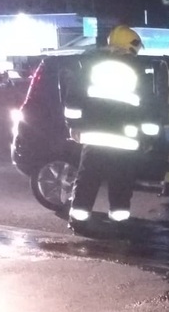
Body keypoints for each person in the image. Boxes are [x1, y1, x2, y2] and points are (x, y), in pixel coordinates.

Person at [64, 25, 155, 235]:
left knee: (87, 180)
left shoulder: (90, 66)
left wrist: (74, 126)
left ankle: (78, 220)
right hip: (125, 139)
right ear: (128, 46)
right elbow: (147, 109)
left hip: (94, 137)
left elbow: (73, 101)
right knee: (121, 183)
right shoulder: (137, 72)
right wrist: (148, 138)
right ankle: (119, 223)